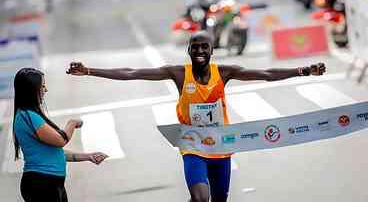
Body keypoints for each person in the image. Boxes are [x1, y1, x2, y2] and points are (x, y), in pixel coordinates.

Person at [66, 31, 326, 202]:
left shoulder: (224, 72)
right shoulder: (179, 74)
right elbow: (132, 72)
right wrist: (89, 70)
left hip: (222, 148)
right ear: (188, 51)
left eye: (205, 47)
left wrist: (303, 71)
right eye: (195, 47)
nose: (200, 51)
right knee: (202, 199)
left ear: (212, 51)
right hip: (193, 146)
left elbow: (266, 74)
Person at [13, 67, 109, 202]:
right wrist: (72, 123)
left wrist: (88, 156)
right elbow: (61, 140)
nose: (45, 90)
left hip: (51, 183)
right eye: (42, 86)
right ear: (32, 90)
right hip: (41, 184)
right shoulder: (27, 117)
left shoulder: (29, 115)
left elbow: (54, 151)